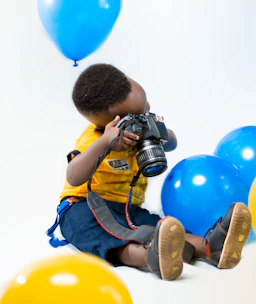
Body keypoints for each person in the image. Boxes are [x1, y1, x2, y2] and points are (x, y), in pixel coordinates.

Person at [58, 63, 252, 281]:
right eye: (135, 117)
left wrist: (158, 132)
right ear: (109, 125)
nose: (144, 116)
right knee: (101, 235)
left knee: (161, 228)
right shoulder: (94, 139)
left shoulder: (144, 126)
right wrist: (104, 143)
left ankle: (209, 246)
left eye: (145, 109)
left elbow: (173, 142)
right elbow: (73, 176)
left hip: (128, 208)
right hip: (83, 206)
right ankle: (149, 257)